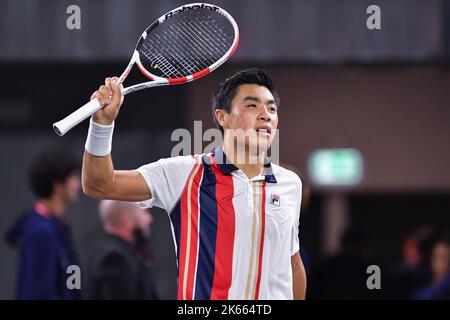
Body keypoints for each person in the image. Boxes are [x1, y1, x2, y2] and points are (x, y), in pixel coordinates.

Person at [82, 68, 307, 300]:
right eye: (252, 105)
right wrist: (102, 124)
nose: (265, 114)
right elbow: (99, 184)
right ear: (222, 117)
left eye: (272, 108)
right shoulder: (184, 173)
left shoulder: (290, 184)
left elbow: (292, 264)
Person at [5, 149, 81, 300]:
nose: (78, 183)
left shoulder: (59, 225)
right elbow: (37, 292)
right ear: (57, 185)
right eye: (73, 177)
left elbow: (72, 275)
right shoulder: (40, 232)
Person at [84, 200, 158, 299]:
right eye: (144, 212)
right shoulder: (115, 259)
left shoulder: (122, 254)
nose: (149, 219)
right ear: (126, 220)